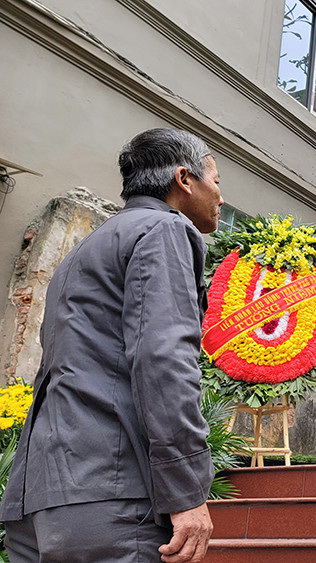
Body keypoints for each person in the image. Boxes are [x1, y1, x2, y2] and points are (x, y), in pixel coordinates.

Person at [0, 128, 222, 562]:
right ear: (184, 179)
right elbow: (164, 361)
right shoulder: (164, 230)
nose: (219, 196)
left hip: (44, 495)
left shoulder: (86, 249)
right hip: (114, 495)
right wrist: (186, 491)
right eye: (215, 180)